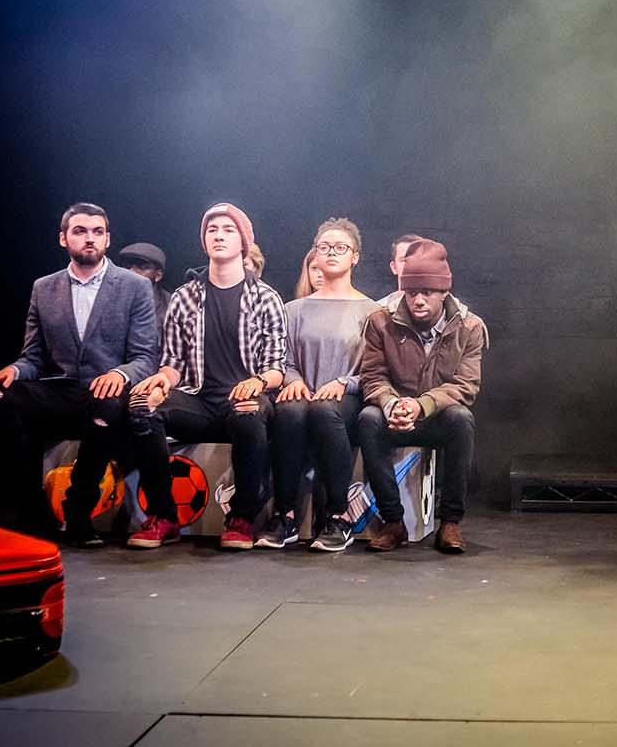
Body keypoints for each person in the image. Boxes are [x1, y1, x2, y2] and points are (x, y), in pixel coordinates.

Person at [0, 203, 158, 545]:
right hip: (62, 390)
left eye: (97, 232)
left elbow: (146, 357)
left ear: (107, 238)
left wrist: (121, 374)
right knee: (5, 399)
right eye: (80, 231)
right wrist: (12, 370)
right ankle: (30, 513)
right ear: (63, 239)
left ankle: (79, 515)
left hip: (106, 392)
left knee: (106, 406)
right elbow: (33, 357)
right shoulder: (44, 288)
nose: (89, 239)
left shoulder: (134, 286)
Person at [125, 203, 288, 550]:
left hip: (245, 400)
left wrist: (257, 382)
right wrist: (161, 381)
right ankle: (163, 516)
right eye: (212, 229)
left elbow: (276, 369)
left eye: (228, 230)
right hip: (198, 399)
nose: (219, 235)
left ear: (243, 241)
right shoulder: (185, 297)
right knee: (142, 404)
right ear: (204, 240)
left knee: (249, 410)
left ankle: (242, 517)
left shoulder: (266, 298)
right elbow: (173, 362)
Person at [359, 239, 488, 555]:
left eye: (427, 292)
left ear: (444, 292)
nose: (418, 299)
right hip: (396, 414)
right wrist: (390, 404)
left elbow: (465, 385)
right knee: (367, 419)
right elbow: (373, 377)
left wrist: (422, 405)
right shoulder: (380, 322)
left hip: (436, 416)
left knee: (461, 418)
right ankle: (393, 522)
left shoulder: (469, 327)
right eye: (412, 292)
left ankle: (451, 522)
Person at [257, 218, 379, 552]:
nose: (331, 253)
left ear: (354, 256)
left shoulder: (373, 311)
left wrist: (343, 382)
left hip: (347, 396)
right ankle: (285, 514)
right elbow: (283, 358)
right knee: (289, 411)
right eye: (323, 247)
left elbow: (376, 370)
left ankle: (338, 516)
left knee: (326, 410)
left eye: (340, 247)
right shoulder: (293, 309)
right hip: (304, 393)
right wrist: (293, 379)